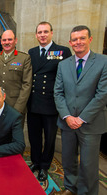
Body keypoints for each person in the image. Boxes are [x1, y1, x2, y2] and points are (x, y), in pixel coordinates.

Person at [54, 25, 107, 195]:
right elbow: (58, 92)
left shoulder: (103, 62)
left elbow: (102, 94)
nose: (78, 42)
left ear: (90, 39)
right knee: (68, 160)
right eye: (75, 39)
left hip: (90, 123)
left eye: (82, 38)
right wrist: (68, 116)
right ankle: (71, 187)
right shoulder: (63, 65)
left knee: (89, 164)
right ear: (70, 42)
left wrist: (81, 118)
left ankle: (87, 192)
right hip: (67, 122)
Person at [27, 22, 72, 182]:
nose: (42, 35)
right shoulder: (31, 52)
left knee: (50, 137)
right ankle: (36, 161)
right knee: (34, 136)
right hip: (33, 102)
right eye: (39, 32)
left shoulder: (62, 51)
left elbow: (67, 77)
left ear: (52, 33)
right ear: (36, 35)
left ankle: (45, 165)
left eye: (45, 32)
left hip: (51, 103)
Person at [0, 30, 32, 117]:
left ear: (15, 41)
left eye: (10, 40)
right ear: (1, 41)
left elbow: (27, 85)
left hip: (16, 106)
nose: (7, 42)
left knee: (15, 130)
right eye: (4, 40)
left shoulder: (24, 58)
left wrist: (18, 108)